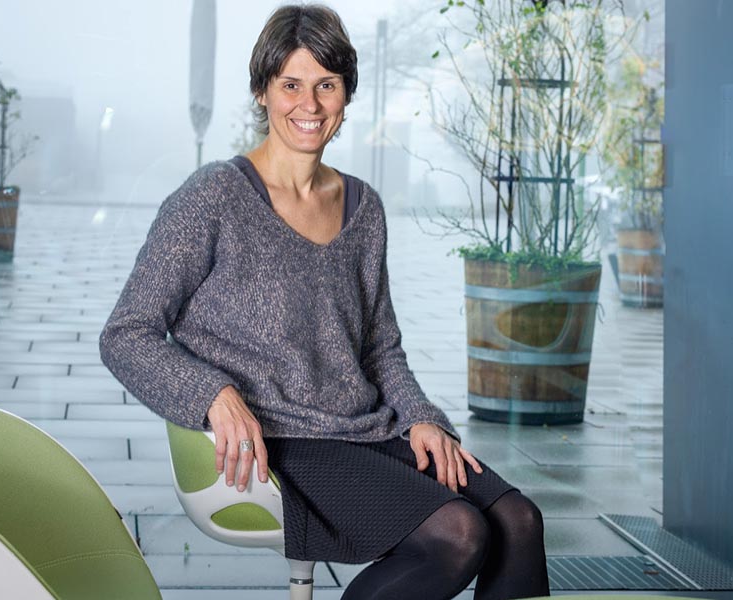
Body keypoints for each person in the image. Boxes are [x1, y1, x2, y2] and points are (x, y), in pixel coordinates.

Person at [99, 5, 549, 599]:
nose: (308, 105)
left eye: (326, 86)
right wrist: (212, 394)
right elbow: (125, 334)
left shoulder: (364, 207)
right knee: (458, 532)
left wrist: (420, 416)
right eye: (291, 84)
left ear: (345, 95)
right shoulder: (211, 197)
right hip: (282, 440)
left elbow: (380, 346)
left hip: (364, 427)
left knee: (518, 521)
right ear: (263, 91)